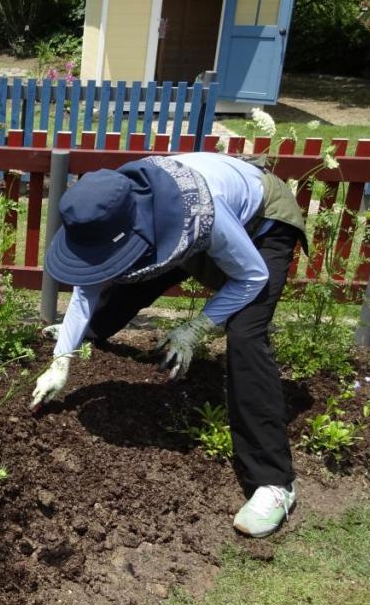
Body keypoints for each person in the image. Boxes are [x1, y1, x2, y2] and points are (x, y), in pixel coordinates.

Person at [30, 152, 306, 538]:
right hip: (186, 222)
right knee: (133, 271)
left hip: (262, 222)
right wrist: (63, 358)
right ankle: (94, 332)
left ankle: (275, 482)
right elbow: (86, 287)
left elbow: (251, 277)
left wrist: (197, 328)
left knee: (246, 333)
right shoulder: (112, 209)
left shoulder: (198, 212)